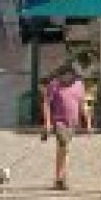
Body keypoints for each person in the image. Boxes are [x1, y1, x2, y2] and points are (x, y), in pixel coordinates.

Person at [41, 61, 91, 190]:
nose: (69, 77)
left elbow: (82, 103)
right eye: (65, 75)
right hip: (59, 122)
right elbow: (46, 103)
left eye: (72, 75)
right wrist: (47, 123)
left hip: (72, 123)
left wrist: (88, 122)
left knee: (64, 149)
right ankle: (61, 178)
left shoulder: (79, 85)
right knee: (63, 146)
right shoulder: (54, 85)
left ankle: (59, 178)